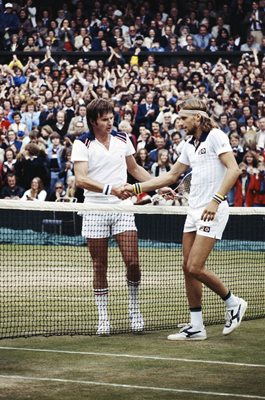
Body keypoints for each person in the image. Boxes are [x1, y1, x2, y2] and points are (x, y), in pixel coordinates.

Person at [123, 98, 247, 340]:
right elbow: (171, 176)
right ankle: (197, 326)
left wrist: (215, 200)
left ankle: (234, 302)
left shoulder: (216, 136)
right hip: (193, 211)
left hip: (213, 209)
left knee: (195, 266)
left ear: (197, 118)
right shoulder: (189, 144)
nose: (179, 122)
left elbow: (234, 170)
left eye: (183, 118)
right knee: (186, 267)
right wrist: (136, 188)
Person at [71, 98, 151, 336]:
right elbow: (81, 179)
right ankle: (103, 317)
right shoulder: (81, 143)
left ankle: (134, 309)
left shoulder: (122, 139)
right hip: (95, 208)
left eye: (111, 118)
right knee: (99, 266)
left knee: (133, 262)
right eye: (105, 119)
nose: (110, 122)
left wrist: (159, 185)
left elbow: (135, 169)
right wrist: (110, 189)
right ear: (93, 121)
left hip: (122, 207)